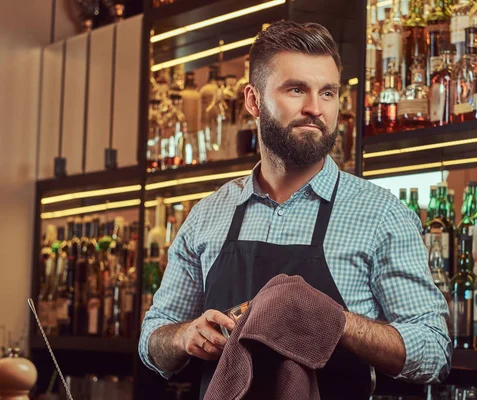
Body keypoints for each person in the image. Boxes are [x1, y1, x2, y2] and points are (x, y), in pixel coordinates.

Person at [139, 20, 451, 399]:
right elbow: (153, 341)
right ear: (253, 100)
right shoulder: (207, 215)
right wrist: (184, 336)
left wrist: (339, 323)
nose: (314, 109)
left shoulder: (381, 214)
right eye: (296, 89)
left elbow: (434, 351)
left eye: (328, 93)